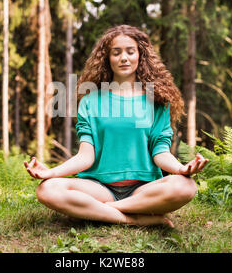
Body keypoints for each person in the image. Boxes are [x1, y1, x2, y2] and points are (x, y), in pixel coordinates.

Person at [25, 24, 208, 227]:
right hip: (98, 187)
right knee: (46, 190)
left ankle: (97, 211)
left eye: (130, 51)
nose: (124, 58)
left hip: (144, 189)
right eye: (116, 52)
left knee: (186, 187)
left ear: (141, 56)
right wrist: (51, 172)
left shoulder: (157, 100)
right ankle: (134, 220)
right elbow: (86, 156)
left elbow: (160, 152)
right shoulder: (91, 100)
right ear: (107, 58)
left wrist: (182, 168)